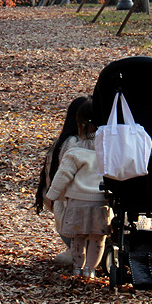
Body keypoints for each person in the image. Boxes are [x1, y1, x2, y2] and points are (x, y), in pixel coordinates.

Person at [44, 98, 111, 278]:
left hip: (77, 203)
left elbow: (62, 176)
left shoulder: (74, 151)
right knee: (98, 239)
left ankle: (77, 268)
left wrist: (52, 195)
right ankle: (90, 270)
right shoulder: (109, 152)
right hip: (101, 203)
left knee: (77, 238)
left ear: (80, 125)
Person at [35, 96, 90, 266]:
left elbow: (51, 188)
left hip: (68, 215)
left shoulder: (62, 142)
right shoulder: (75, 144)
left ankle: (81, 258)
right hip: (77, 214)